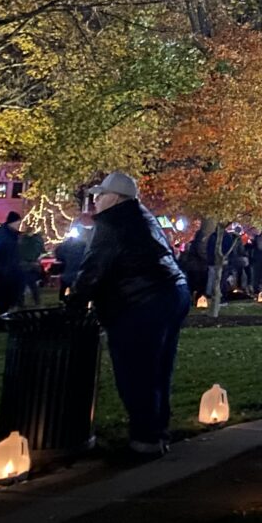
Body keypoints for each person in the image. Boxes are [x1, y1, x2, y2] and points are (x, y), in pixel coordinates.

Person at [69, 172, 191, 458]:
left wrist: (75, 303)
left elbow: (93, 268)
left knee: (135, 371)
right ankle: (157, 430)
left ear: (116, 198)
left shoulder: (113, 222)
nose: (96, 200)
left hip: (141, 303)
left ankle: (145, 439)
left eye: (101, 195)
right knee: (159, 368)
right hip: (173, 293)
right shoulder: (145, 218)